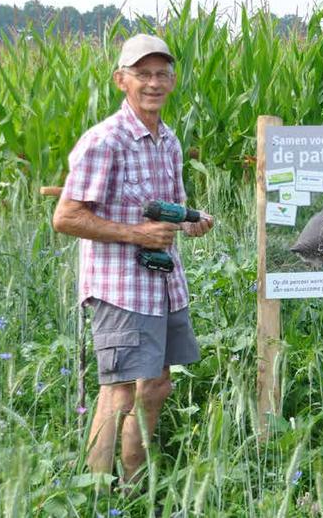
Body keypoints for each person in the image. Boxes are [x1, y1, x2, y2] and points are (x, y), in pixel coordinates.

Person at [52, 34, 214, 484]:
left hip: (163, 285)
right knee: (119, 392)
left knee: (157, 385)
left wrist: (194, 220)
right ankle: (97, 495)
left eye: (162, 74)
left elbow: (171, 208)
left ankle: (133, 486)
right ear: (121, 80)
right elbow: (65, 217)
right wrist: (137, 234)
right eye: (143, 74)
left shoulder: (169, 142)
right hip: (119, 288)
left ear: (173, 81)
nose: (154, 83)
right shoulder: (104, 141)